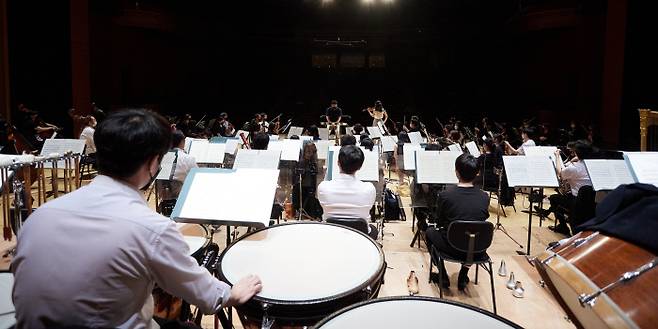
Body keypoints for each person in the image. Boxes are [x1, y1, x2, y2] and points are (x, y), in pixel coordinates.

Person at [11, 109, 262, 328]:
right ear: (153, 163)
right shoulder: (152, 229)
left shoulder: (40, 216)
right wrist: (231, 293)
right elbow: (207, 297)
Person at [425, 154, 490, 291]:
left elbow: (439, 221)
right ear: (477, 173)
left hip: (452, 247)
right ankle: (463, 274)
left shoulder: (445, 195)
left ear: (456, 172)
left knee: (429, 232)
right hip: (478, 249)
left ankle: (442, 274)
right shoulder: (484, 197)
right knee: (470, 236)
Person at [318, 145, 378, 239]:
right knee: (374, 229)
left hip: (331, 234)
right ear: (360, 166)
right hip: (361, 236)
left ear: (338, 163)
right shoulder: (369, 188)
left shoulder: (324, 187)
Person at [536, 140, 593, 235]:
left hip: (577, 202)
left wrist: (557, 156)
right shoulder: (592, 165)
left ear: (575, 153)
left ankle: (563, 226)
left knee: (554, 198)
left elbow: (560, 173)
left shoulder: (574, 168)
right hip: (592, 201)